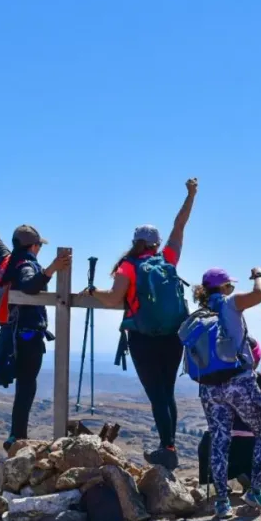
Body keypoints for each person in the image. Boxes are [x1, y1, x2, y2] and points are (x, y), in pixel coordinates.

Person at [85, 178, 198, 470]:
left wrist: (93, 292)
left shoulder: (128, 266)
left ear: (135, 241)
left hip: (142, 338)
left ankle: (167, 449)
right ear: (156, 244)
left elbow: (114, 298)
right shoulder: (168, 259)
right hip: (173, 336)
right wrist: (191, 194)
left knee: (156, 394)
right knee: (167, 391)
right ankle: (169, 446)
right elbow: (180, 225)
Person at [0, 214, 71, 451]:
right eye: (39, 245)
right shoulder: (27, 265)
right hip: (28, 337)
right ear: (33, 246)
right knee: (27, 387)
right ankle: (17, 436)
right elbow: (30, 286)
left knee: (24, 385)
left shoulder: (8, 260)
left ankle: (16, 435)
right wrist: (52, 269)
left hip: (10, 334)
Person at [187, 267, 261, 517]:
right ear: (224, 287)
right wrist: (259, 274)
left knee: (219, 439)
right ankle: (255, 491)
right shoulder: (229, 303)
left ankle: (222, 502)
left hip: (209, 387)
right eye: (230, 285)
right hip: (239, 382)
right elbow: (260, 294)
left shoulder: (200, 314)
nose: (232, 289)